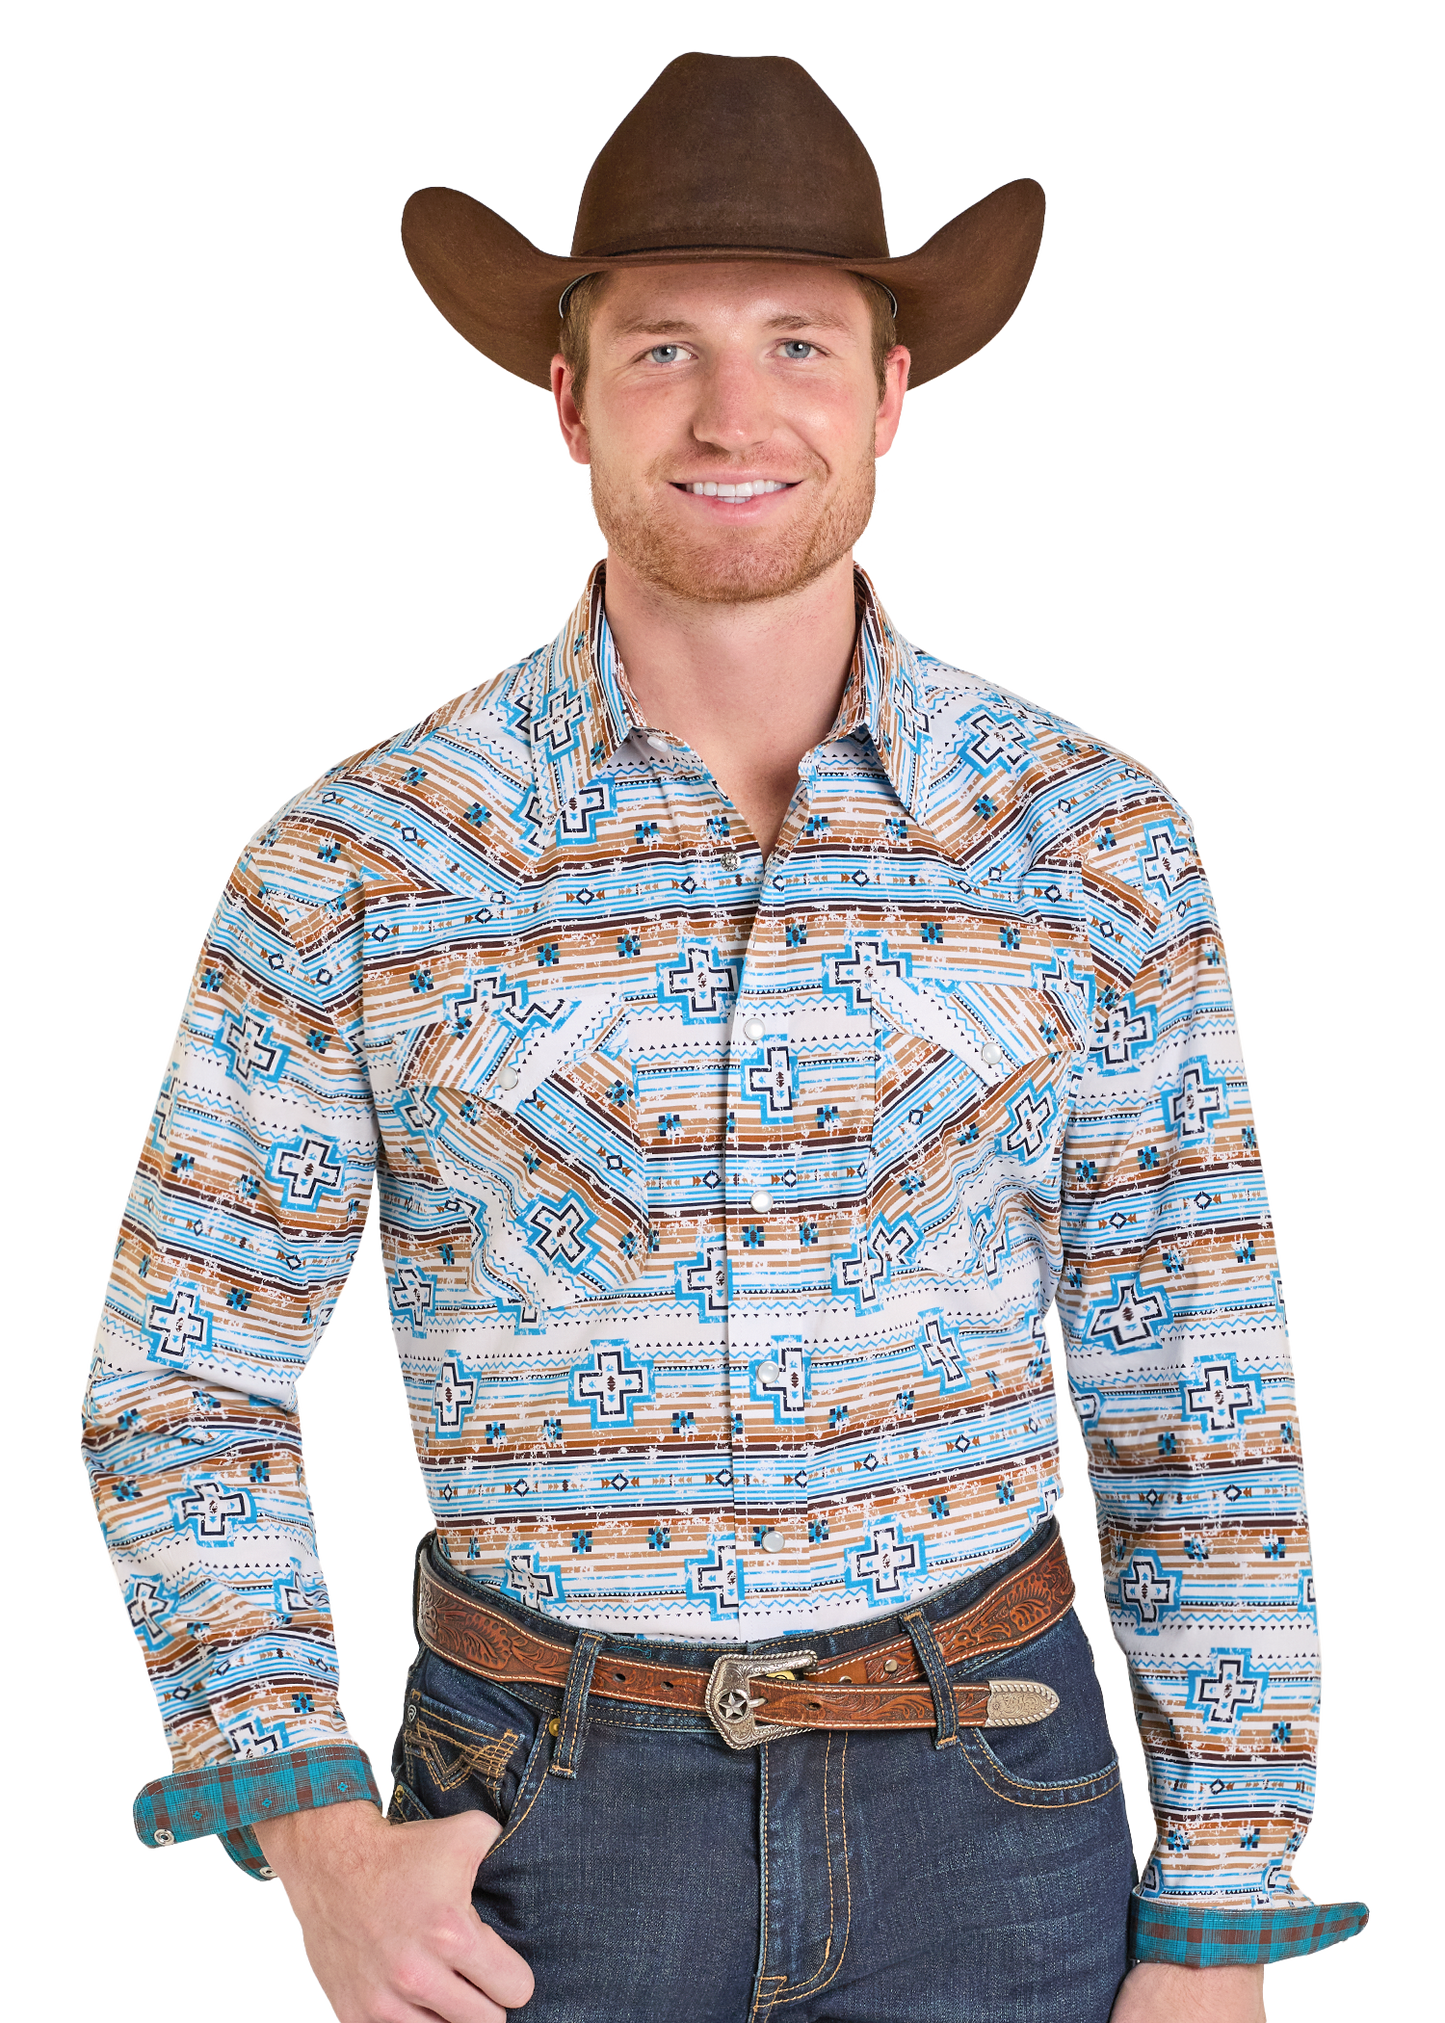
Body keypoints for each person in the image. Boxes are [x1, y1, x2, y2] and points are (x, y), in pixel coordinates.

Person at [79, 49, 1370, 2023]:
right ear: (569, 400)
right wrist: (310, 1825)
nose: (735, 411)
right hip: (517, 1829)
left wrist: (1214, 1903)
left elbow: (1192, 1389)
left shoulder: (1091, 837)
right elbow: (184, 1375)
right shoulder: (354, 859)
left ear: (888, 397)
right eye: (663, 350)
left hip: (1000, 1811)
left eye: (796, 342)